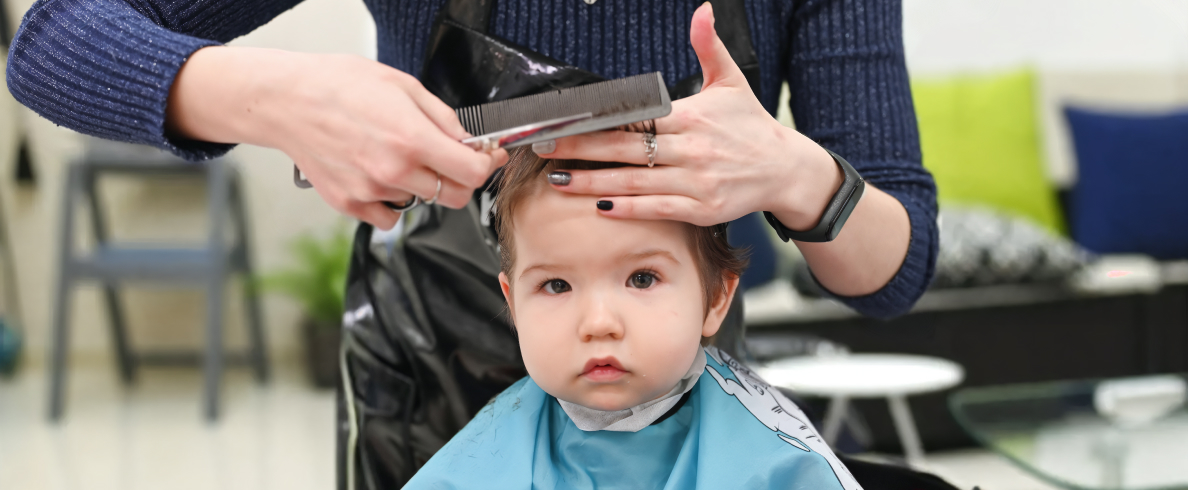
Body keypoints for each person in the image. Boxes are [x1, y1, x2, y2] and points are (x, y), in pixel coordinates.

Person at [305, 147, 974, 490]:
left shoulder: (767, 451)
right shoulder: (493, 458)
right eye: (556, 285)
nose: (598, 320)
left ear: (715, 297)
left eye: (643, 277)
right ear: (512, 303)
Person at [7, 0, 933, 318]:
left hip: (678, 397)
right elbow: (51, 44)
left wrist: (796, 173)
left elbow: (894, 268)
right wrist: (283, 100)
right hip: (430, 384)